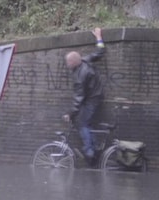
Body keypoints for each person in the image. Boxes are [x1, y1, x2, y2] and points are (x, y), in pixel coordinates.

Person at [63, 27, 105, 165]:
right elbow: (100, 52)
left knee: (82, 123)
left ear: (74, 62)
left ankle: (90, 151)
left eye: (68, 62)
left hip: (92, 99)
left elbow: (78, 99)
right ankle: (94, 146)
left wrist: (70, 114)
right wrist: (99, 37)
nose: (67, 65)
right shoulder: (85, 60)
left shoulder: (80, 76)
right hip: (95, 95)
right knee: (86, 122)